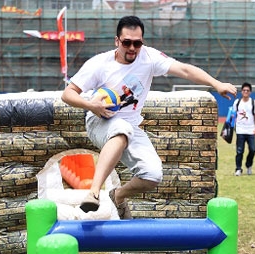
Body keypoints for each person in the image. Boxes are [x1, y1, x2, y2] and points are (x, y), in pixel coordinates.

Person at [61, 16, 237, 219]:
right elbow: (68, 94)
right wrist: (91, 105)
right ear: (117, 41)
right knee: (121, 130)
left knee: (153, 175)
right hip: (99, 121)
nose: (132, 48)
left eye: (137, 43)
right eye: (127, 42)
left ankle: (117, 196)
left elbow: (185, 70)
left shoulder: (150, 58)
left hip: (130, 127)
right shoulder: (100, 64)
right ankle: (93, 192)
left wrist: (216, 84)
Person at [232, 82, 255, 176]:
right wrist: (231, 126)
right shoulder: (237, 102)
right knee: (239, 151)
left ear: (250, 92)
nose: (246, 92)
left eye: (247, 90)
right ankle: (238, 169)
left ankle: (249, 165)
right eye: (244, 90)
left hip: (250, 130)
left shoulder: (254, 102)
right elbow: (233, 115)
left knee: (253, 150)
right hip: (240, 130)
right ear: (241, 91)